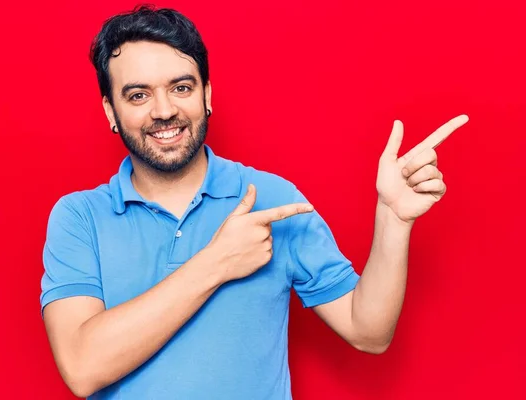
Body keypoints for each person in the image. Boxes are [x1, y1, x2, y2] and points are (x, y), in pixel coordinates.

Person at [40, 5, 468, 399]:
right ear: (110, 112)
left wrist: (393, 218)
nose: (164, 110)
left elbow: (368, 332)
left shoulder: (273, 199)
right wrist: (218, 262)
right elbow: (82, 367)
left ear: (206, 95)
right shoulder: (79, 218)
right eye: (138, 95)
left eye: (181, 87)